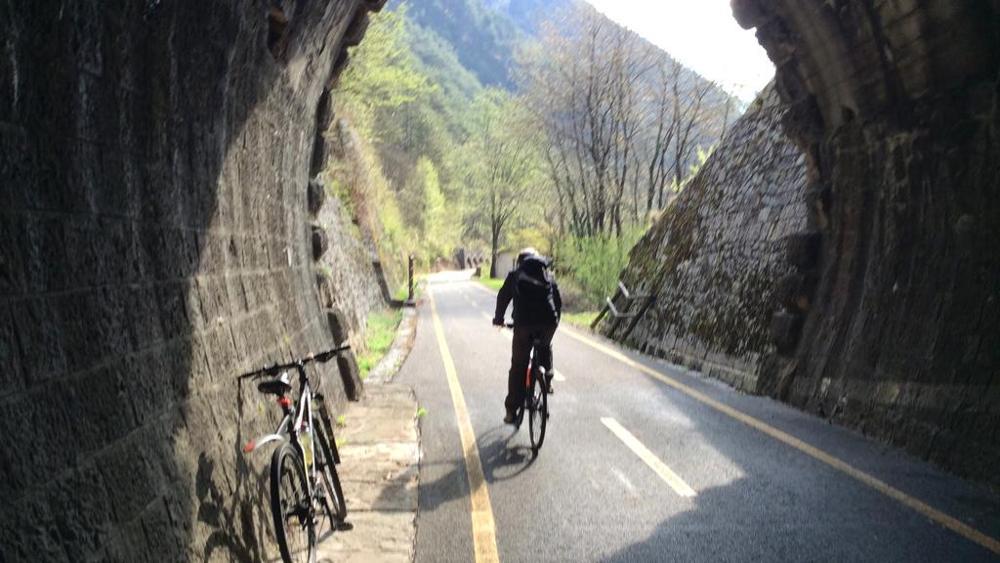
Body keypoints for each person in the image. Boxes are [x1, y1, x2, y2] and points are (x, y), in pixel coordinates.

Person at [492, 247, 562, 424]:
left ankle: (510, 410)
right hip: (548, 323)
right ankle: (548, 379)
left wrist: (498, 319)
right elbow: (558, 302)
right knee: (545, 346)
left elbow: (502, 297)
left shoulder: (515, 275)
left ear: (520, 261)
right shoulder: (548, 276)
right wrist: (553, 322)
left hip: (523, 325)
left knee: (518, 366)